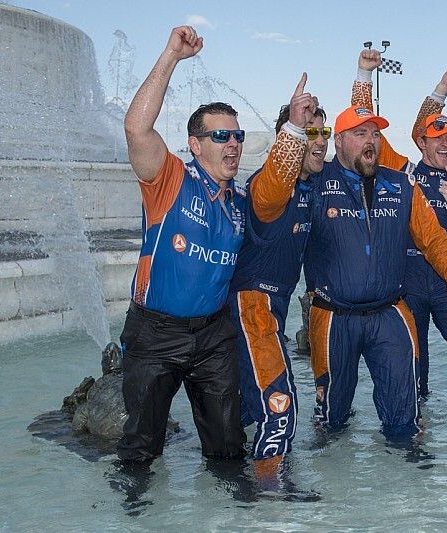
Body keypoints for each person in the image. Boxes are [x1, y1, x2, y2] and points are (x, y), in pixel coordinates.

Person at [305, 103, 447, 440]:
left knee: (404, 421)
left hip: (390, 313)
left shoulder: (401, 185)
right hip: (333, 316)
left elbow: (434, 239)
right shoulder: (315, 183)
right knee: (331, 422)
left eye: (375, 133)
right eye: (360, 133)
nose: (371, 141)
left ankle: (410, 486)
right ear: (338, 141)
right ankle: (334, 485)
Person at [117, 26, 246, 462]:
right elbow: (136, 130)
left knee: (229, 447)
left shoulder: (239, 201)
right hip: (155, 333)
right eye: (221, 136)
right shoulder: (170, 179)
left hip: (213, 335)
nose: (233, 144)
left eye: (238, 135)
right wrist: (172, 55)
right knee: (140, 450)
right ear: (195, 144)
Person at [352, 57, 447, 406]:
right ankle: (417, 432)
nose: (445, 144)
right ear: (421, 142)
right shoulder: (401, 172)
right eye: (437, 138)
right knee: (415, 368)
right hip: (407, 280)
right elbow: (364, 125)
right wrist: (364, 75)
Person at [227, 74, 322, 481]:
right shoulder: (268, 185)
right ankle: (268, 492)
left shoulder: (312, 185)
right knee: (280, 405)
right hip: (253, 304)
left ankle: (245, 477)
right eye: (310, 132)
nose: (320, 141)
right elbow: (272, 187)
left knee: (253, 407)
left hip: (272, 309)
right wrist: (294, 130)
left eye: (324, 131)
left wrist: (363, 76)